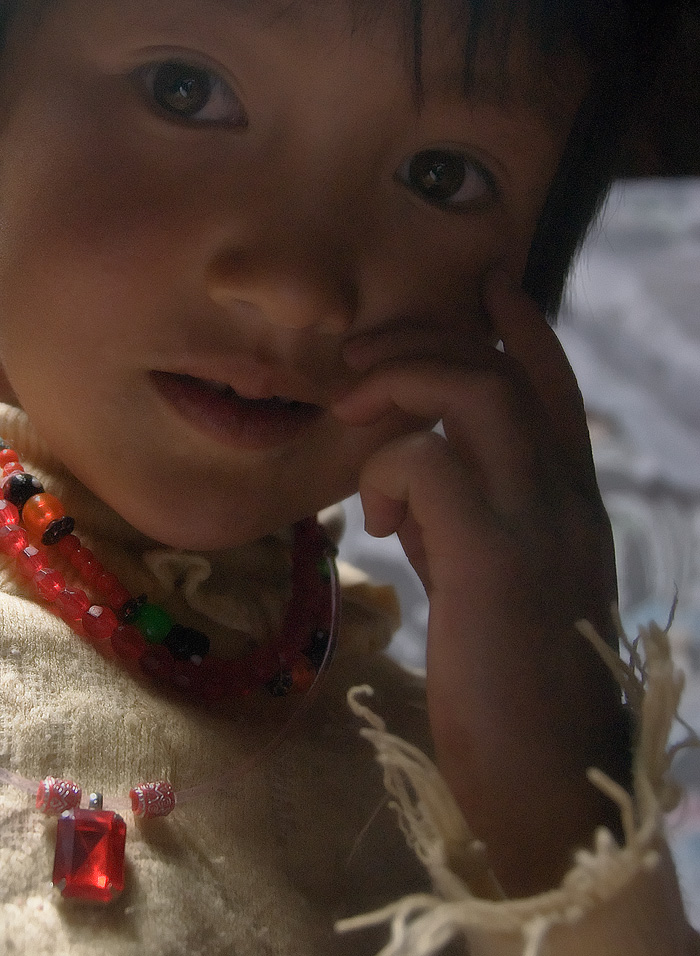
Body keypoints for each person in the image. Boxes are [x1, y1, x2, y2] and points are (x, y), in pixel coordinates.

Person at [0, 0, 696, 953]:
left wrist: (562, 818)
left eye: (440, 177)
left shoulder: (459, 797)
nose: (297, 287)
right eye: (184, 90)